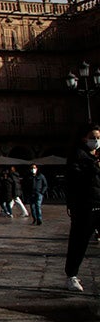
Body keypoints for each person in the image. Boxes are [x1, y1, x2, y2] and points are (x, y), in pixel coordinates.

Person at [64, 124, 100, 292]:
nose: (96, 141)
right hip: (85, 205)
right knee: (79, 242)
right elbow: (73, 180)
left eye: (99, 137)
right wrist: (93, 168)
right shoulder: (77, 156)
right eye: (93, 137)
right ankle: (71, 276)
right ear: (84, 138)